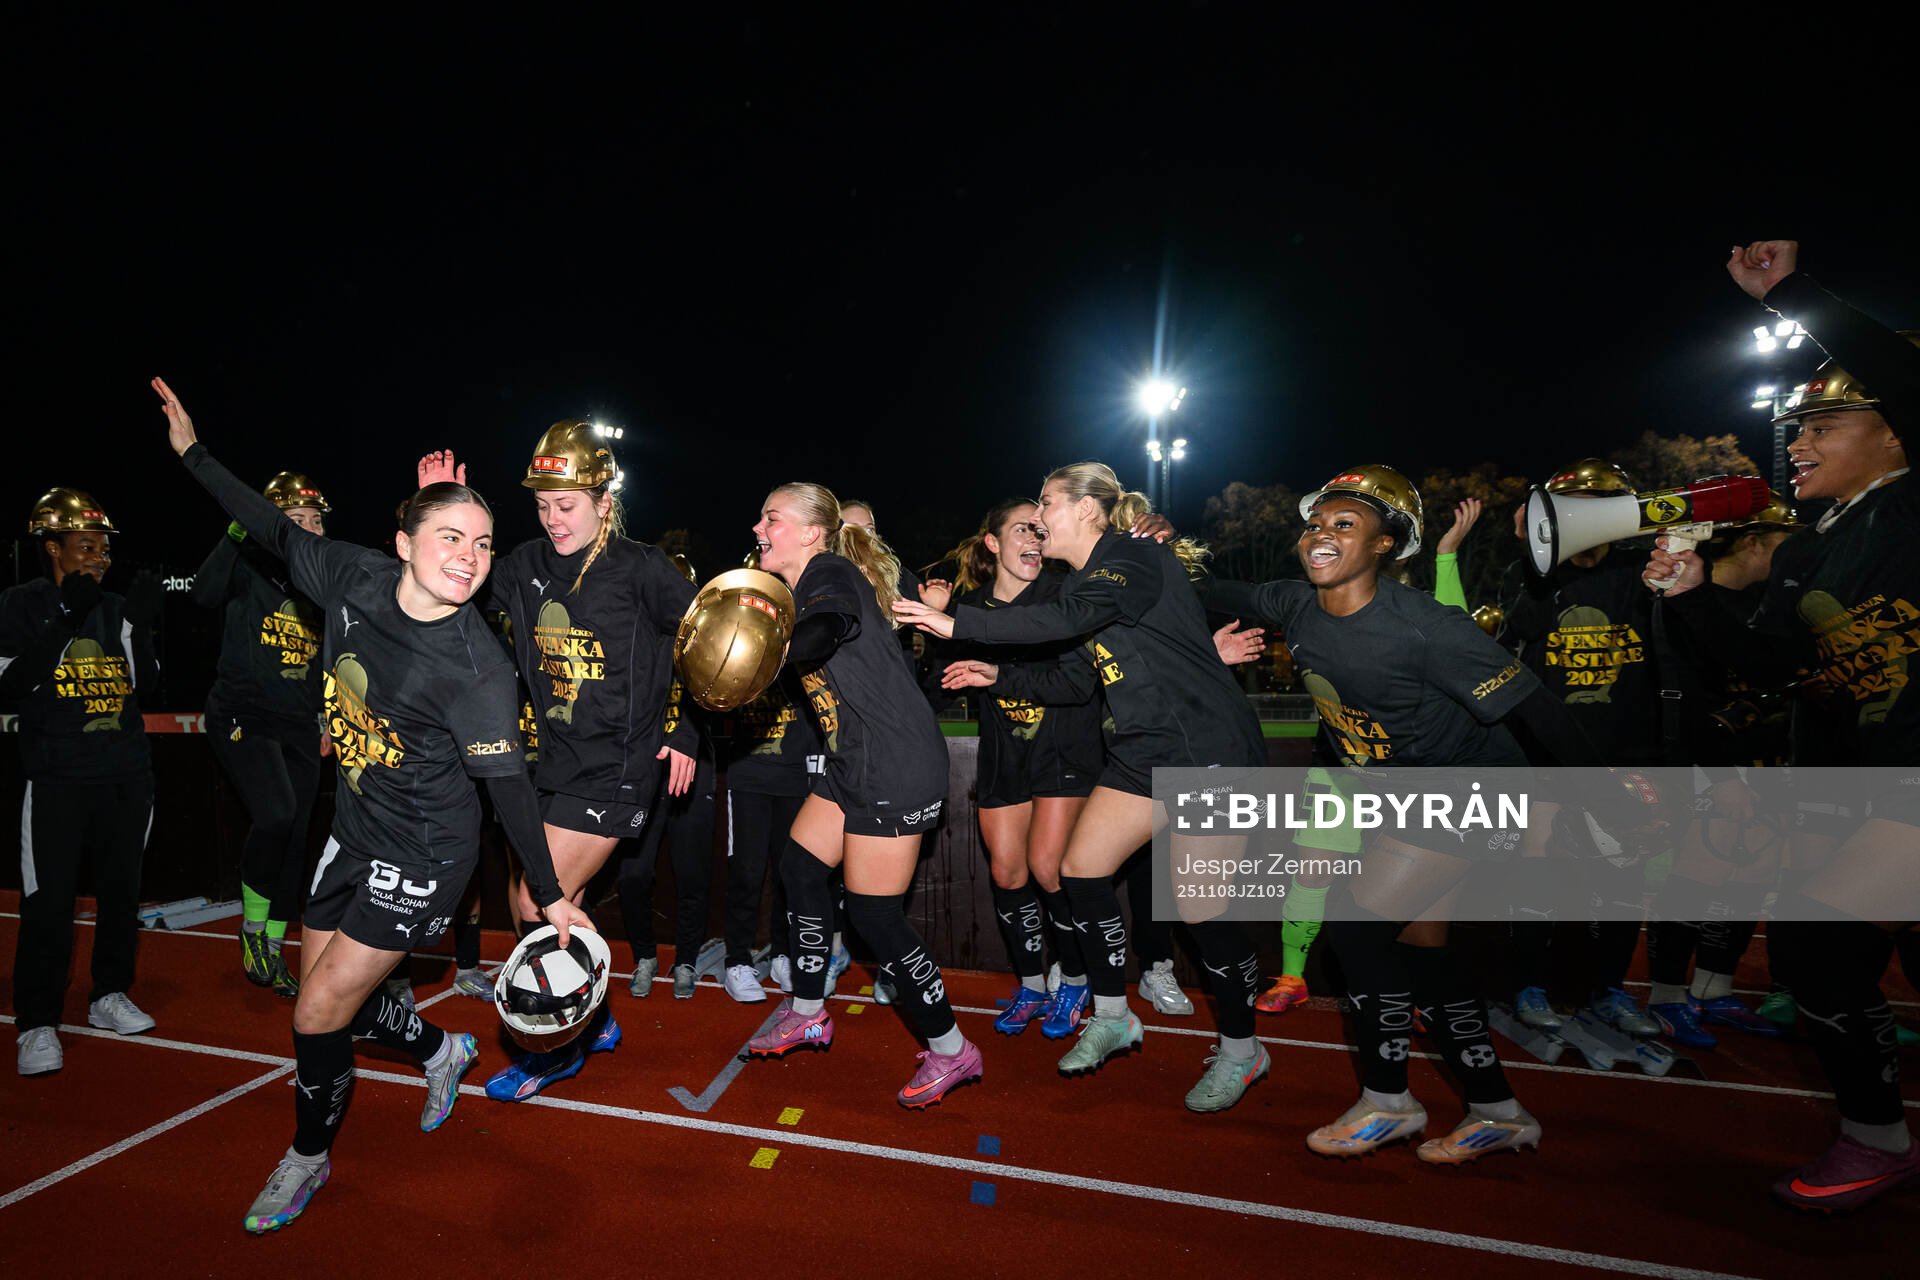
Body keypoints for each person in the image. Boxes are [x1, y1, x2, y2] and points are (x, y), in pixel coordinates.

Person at [155, 378, 589, 1234]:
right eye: (451, 536)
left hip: (424, 857)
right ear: (404, 543)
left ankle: (307, 1159)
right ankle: (443, 1049)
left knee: (318, 1011)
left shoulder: (476, 670)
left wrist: (549, 891)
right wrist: (191, 452)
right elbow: (274, 525)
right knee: (324, 999)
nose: (469, 556)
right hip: (352, 830)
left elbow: (507, 790)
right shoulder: (348, 574)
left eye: (483, 543)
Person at [1199, 464, 1653, 1160]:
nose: (1320, 534)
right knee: (1422, 951)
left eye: (1345, 524)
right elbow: (1204, 591)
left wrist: (1617, 809)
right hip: (1405, 799)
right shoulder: (1294, 606)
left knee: (1354, 923)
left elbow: (1540, 711)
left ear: (1388, 544)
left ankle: (1388, 1102)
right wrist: (1140, 561)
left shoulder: (1427, 630)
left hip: (1473, 791)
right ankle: (1497, 1111)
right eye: (1316, 523)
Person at [1643, 238, 1920, 1212]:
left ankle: (1877, 1134)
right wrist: (1688, 598)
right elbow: (1770, 664)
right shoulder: (1813, 548)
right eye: (1791, 422)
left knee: (1818, 946)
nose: (1794, 439)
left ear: (1896, 428)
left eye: (1823, 421)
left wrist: (1793, 296)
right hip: (1864, 789)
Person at [899, 462, 1273, 1113]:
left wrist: (956, 623)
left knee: (1201, 911)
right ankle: (1112, 1014)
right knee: (1079, 868)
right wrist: (983, 661)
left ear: (1090, 509)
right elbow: (1074, 672)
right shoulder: (1083, 582)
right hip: (1141, 753)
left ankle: (1244, 1051)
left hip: (1207, 747)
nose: (1039, 517)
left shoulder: (1128, 558)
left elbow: (1064, 621)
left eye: (1047, 502)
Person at [416, 432, 698, 1101]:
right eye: (544, 506)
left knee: (531, 900)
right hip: (550, 768)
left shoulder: (643, 568)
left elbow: (711, 642)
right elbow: (449, 587)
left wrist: (686, 728)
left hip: (619, 767)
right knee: (544, 901)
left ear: (605, 501)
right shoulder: (522, 567)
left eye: (568, 505)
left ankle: (556, 1050)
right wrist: (438, 507)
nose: (554, 519)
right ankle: (590, 1018)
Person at [743, 483, 982, 1109]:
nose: (758, 526)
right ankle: (809, 1008)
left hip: (894, 764)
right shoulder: (799, 586)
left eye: (773, 517)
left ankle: (953, 1050)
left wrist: (769, 659)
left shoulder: (830, 573)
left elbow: (826, 630)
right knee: (800, 866)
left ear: (813, 532)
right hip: (853, 759)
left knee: (874, 916)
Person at [925, 498, 1105, 1037]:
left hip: (1064, 752)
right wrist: (937, 631)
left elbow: (1079, 685)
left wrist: (996, 675)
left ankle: (1073, 977)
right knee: (1008, 872)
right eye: (1022, 527)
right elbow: (935, 690)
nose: (1036, 534)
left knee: (1049, 868)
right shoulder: (968, 607)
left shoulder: (1063, 596)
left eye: (1040, 527)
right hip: (1005, 757)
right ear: (993, 543)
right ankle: (1031, 983)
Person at [1501, 460, 1663, 1040]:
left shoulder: (1645, 572)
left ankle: (1608, 989)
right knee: (1539, 865)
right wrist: (1534, 554)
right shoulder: (1532, 577)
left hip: (1629, 750)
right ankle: (1527, 982)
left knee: (1622, 876)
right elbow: (1516, 637)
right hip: (1547, 752)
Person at [5, 487, 161, 1077]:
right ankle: (38, 1023)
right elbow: (14, 684)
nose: (99, 557)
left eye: (104, 548)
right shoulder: (20, 603)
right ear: (53, 548)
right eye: (86, 545)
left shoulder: (116, 606)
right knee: (48, 904)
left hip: (124, 775)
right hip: (57, 778)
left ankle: (107, 995)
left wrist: (141, 628)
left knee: (122, 897)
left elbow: (144, 687)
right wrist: (67, 616)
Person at [192, 471, 330, 999]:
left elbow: (334, 659)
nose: (310, 529)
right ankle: (251, 928)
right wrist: (235, 532)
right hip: (243, 714)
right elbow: (202, 596)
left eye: (316, 520)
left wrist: (326, 717)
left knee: (296, 835)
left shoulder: (317, 585)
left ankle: (272, 944)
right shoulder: (249, 568)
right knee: (275, 813)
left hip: (298, 722)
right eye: (296, 520)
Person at [717, 670, 824, 1002]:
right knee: (746, 874)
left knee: (787, 874)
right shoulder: (744, 650)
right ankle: (736, 960)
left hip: (793, 780)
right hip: (748, 776)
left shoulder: (800, 652)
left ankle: (782, 954)